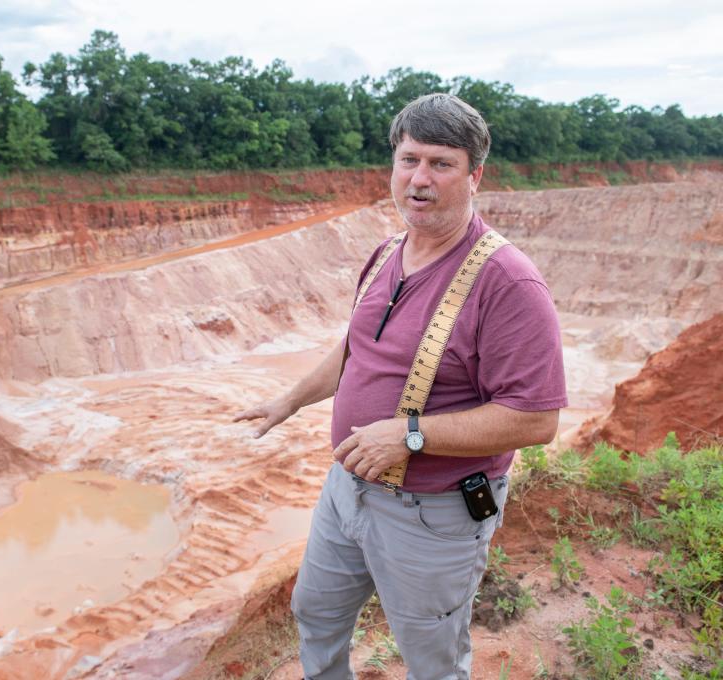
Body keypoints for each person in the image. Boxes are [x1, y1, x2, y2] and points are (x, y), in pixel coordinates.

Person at [233, 93, 567, 680]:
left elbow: (534, 418)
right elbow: (358, 349)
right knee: (316, 612)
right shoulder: (388, 252)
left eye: (441, 163)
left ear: (474, 175)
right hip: (346, 488)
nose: (420, 178)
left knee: (431, 660)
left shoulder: (508, 281)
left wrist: (410, 435)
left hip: (432, 513)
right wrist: (289, 400)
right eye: (409, 159)